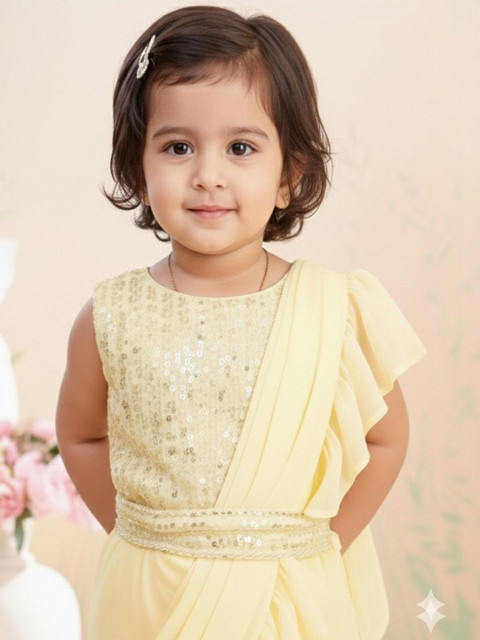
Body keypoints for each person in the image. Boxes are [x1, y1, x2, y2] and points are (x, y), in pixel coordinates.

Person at [56, 6, 426, 639]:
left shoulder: (333, 310)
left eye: (241, 148)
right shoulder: (110, 316)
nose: (208, 175)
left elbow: (386, 440)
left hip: (291, 600)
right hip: (153, 601)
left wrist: (320, 547)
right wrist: (140, 538)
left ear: (288, 176)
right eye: (177, 147)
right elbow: (82, 435)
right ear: (138, 167)